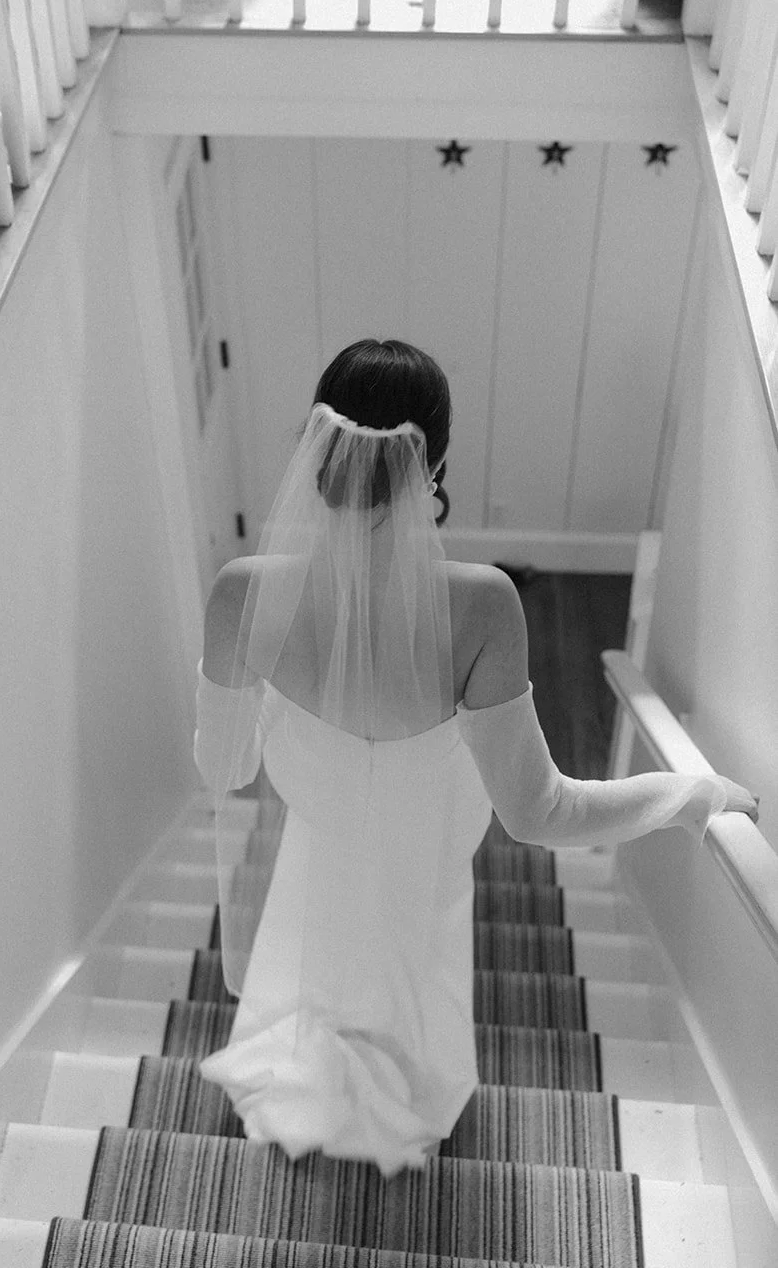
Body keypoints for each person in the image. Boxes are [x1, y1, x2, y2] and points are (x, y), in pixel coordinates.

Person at [193, 337, 758, 1177]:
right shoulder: (483, 606)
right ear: (432, 466)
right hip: (424, 875)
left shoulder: (243, 592)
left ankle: (312, 1075)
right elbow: (541, 813)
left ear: (317, 445)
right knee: (407, 999)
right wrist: (691, 792)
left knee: (323, 977)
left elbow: (224, 769)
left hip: (315, 859)